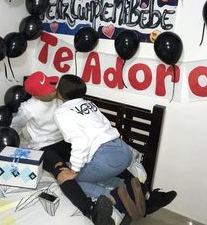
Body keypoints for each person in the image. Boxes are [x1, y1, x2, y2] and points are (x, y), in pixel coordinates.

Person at [54, 74, 177, 222]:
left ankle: (113, 198)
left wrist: (73, 170)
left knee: (68, 179)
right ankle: (130, 188)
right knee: (94, 174)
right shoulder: (89, 104)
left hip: (106, 157)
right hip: (123, 150)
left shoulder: (61, 112)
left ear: (60, 90)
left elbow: (80, 141)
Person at [10, 71, 115, 225]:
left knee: (93, 152)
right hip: (43, 147)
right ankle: (91, 210)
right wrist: (12, 146)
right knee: (61, 171)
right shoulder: (28, 108)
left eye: (52, 85)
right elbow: (14, 126)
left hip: (64, 142)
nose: (54, 90)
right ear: (37, 96)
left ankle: (135, 185)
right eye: (48, 89)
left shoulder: (61, 99)